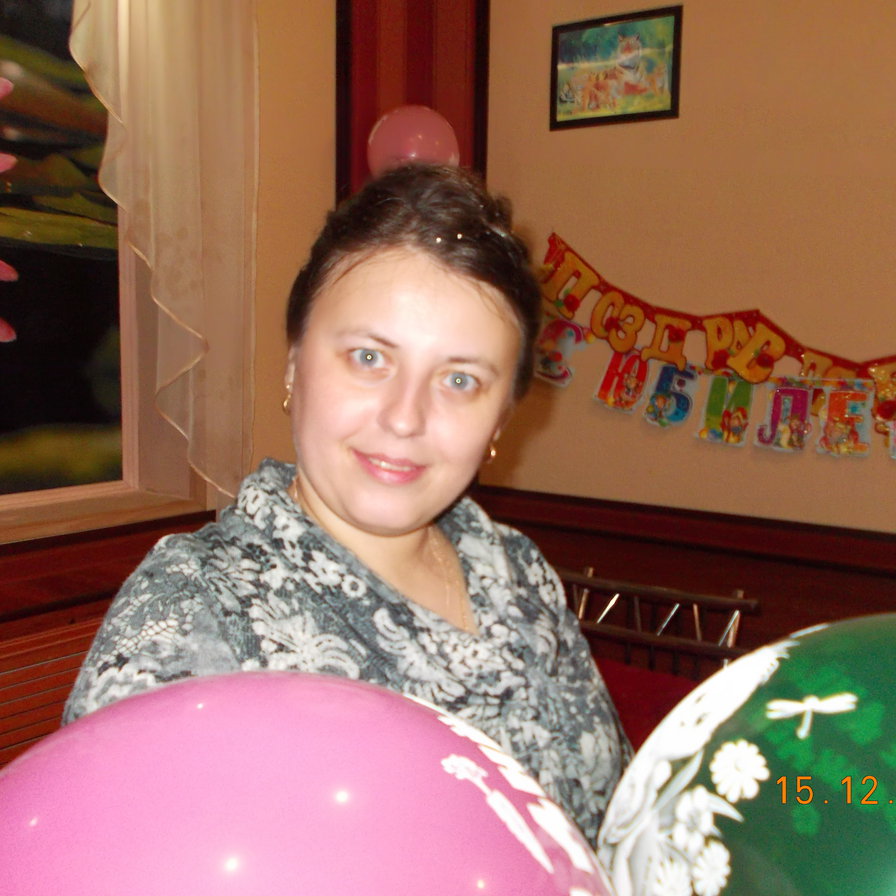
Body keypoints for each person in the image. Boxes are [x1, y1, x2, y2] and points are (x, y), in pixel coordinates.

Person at [63, 163, 630, 842]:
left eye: (459, 380)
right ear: (294, 364)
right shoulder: (196, 611)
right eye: (368, 358)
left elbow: (622, 825)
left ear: (501, 420)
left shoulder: (519, 571)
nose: (405, 417)